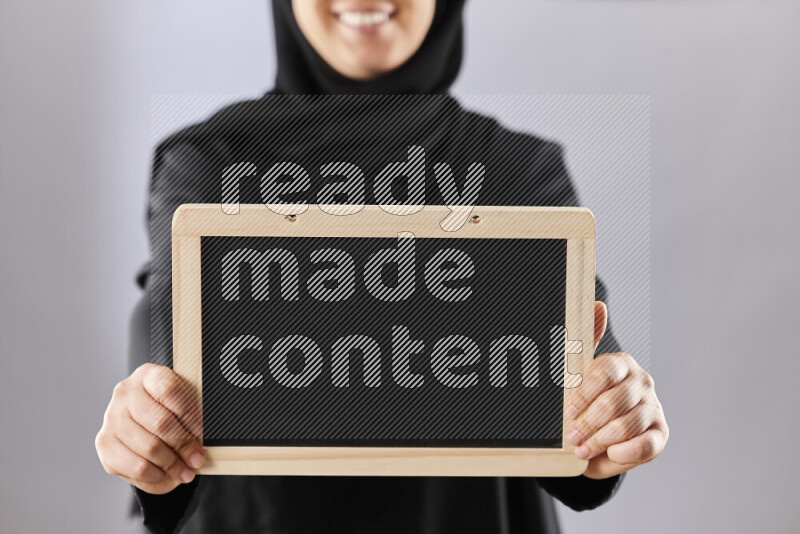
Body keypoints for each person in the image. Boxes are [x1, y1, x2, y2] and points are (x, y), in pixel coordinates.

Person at [96, 1, 669, 533]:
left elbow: (583, 397)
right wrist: (147, 431)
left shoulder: (517, 170)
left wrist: (610, 416)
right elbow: (170, 353)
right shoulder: (208, 161)